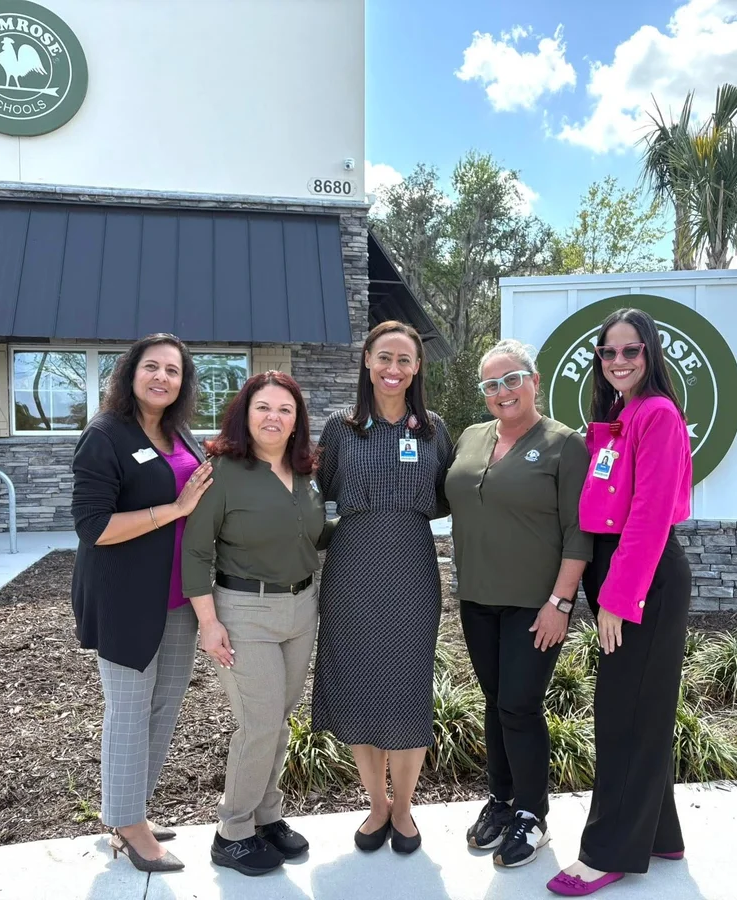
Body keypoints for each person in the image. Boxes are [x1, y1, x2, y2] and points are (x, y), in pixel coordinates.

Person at [547, 308, 694, 897]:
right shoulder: (619, 415)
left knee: (623, 715)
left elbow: (650, 515)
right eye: (608, 353)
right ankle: (660, 834)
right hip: (619, 571)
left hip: (642, 576)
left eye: (630, 351)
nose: (619, 362)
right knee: (641, 707)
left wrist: (617, 599)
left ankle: (607, 851)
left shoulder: (657, 414)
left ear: (650, 355)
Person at [445, 339, 592, 868]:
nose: (502, 392)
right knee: (494, 700)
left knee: (519, 704)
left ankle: (532, 815)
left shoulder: (563, 443)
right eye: (491, 384)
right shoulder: (470, 437)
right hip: (477, 598)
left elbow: (580, 532)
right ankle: (502, 800)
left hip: (536, 604)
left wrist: (561, 601)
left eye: (512, 379)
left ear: (534, 379)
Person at [70, 333, 214, 873]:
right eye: (151, 367)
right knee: (129, 712)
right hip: (125, 598)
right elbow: (93, 526)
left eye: (173, 371)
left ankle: (131, 811)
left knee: (162, 709)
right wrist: (174, 510)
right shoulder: (105, 436)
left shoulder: (178, 433)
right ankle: (127, 826)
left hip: (178, 596)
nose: (162, 378)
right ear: (131, 374)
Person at [310, 320, 453, 856]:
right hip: (351, 571)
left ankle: (405, 808)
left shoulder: (434, 429)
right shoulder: (339, 429)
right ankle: (375, 806)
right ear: (367, 362)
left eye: (405, 360)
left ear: (417, 368)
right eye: (384, 358)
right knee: (359, 685)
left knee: (407, 688)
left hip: (413, 570)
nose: (394, 369)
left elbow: (446, 496)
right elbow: (318, 494)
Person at [182, 370, 331, 877]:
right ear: (245, 414)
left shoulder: (304, 470)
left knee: (278, 718)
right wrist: (208, 621)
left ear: (296, 422)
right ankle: (232, 831)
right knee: (260, 721)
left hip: (301, 608)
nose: (274, 417)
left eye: (285, 410)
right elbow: (196, 549)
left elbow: (308, 535)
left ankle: (268, 817)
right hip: (243, 611)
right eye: (263, 407)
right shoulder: (223, 470)